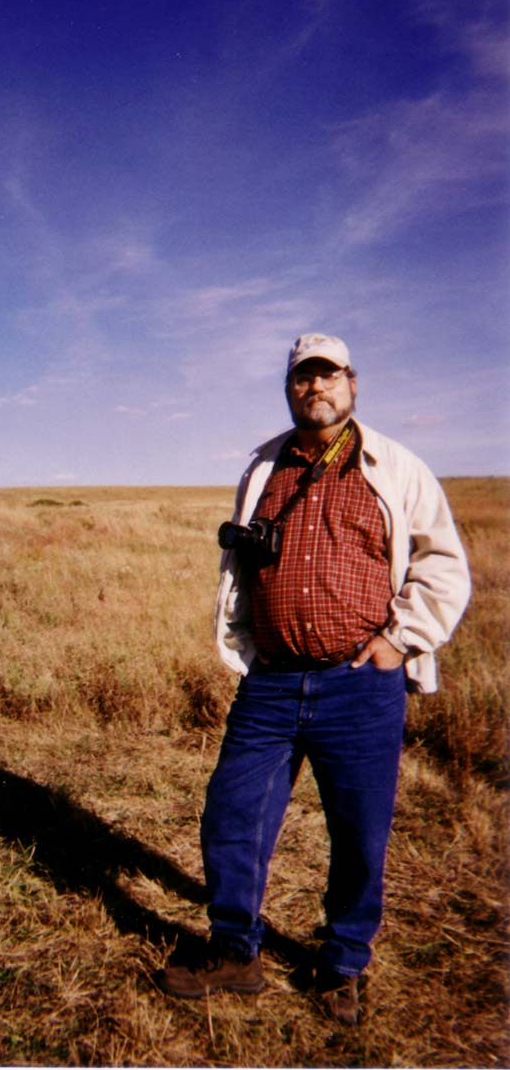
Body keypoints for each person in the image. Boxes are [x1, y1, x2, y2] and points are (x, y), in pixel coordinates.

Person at [160, 333, 470, 1024]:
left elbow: (442, 563)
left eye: (328, 376)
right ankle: (235, 950)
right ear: (289, 387)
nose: (315, 388)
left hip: (358, 684)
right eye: (303, 378)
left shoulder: (394, 465)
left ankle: (342, 964)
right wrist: (247, 647)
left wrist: (398, 641)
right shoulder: (264, 468)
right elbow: (242, 567)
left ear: (352, 384)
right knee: (232, 814)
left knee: (358, 833)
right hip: (270, 684)